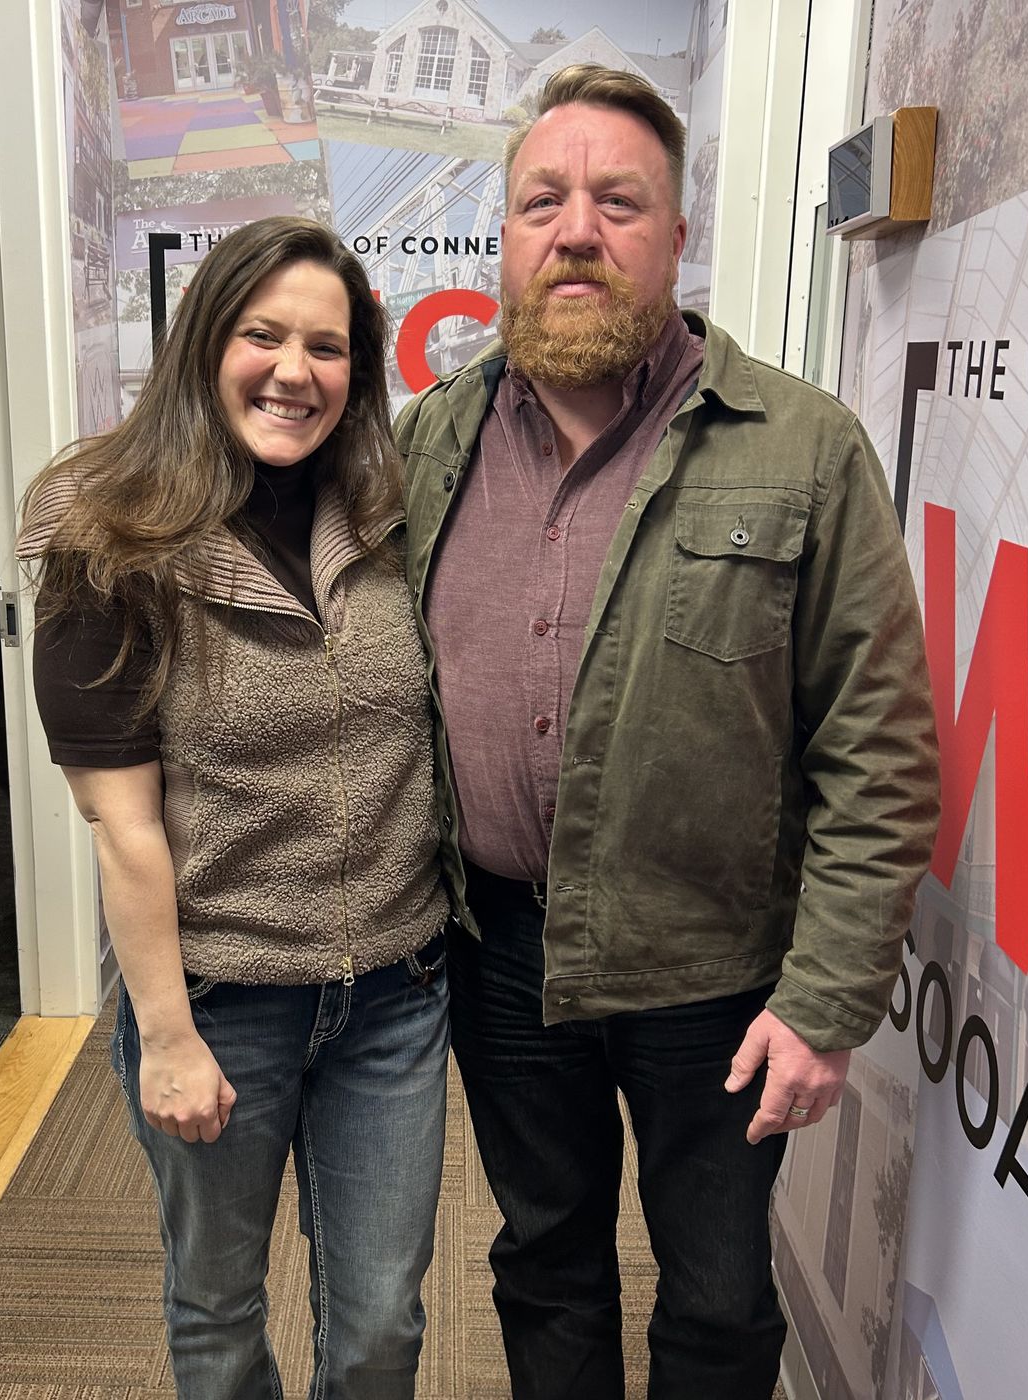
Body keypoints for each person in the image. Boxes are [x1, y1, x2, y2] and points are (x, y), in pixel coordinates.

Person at [395, 64, 941, 1400]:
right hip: (500, 957)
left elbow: (876, 750)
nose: (577, 231)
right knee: (545, 1262)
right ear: (505, 235)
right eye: (543, 201)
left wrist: (824, 1002)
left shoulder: (802, 448)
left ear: (677, 236)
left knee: (715, 1294)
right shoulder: (428, 442)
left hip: (714, 971)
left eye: (619, 201)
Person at [19, 216, 449, 1400]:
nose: (292, 371)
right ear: (205, 341)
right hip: (217, 999)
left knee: (380, 1320)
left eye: (326, 346)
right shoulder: (110, 535)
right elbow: (123, 825)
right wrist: (166, 1036)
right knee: (216, 1308)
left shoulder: (388, 514)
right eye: (262, 335)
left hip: (391, 995)